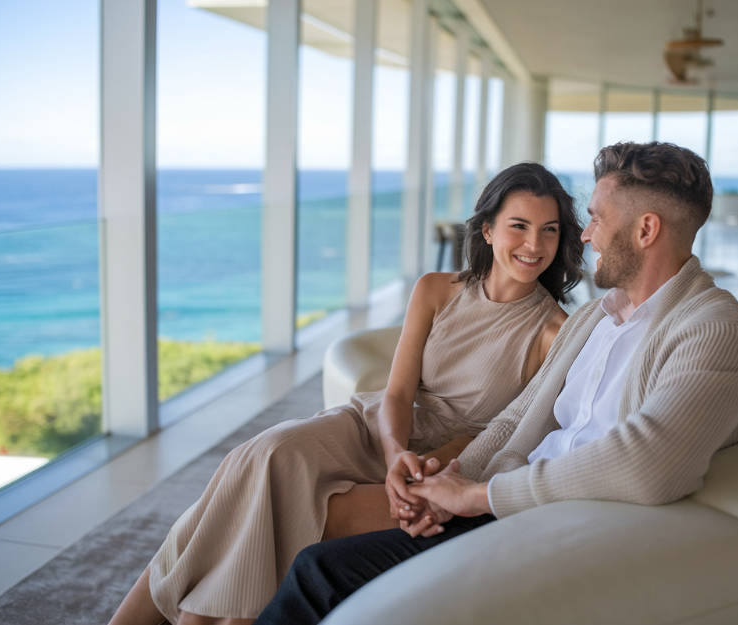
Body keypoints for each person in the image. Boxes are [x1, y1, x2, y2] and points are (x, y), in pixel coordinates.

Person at [254, 141, 738, 625]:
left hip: (564, 527)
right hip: (507, 504)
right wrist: (447, 488)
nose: (584, 236)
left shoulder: (717, 327)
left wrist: (481, 497)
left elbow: (648, 464)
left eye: (595, 220)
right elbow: (517, 419)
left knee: (319, 576)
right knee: (317, 563)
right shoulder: (595, 318)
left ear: (646, 230)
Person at [107, 162, 585, 625]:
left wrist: (422, 469)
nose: (533, 244)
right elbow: (397, 392)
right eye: (518, 226)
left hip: (443, 458)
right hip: (378, 425)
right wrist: (395, 451)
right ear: (486, 231)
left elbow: (506, 431)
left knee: (250, 503)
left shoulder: (554, 331)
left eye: (549, 230)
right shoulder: (437, 290)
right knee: (261, 455)